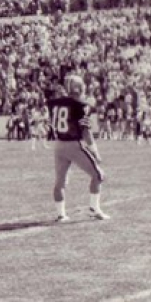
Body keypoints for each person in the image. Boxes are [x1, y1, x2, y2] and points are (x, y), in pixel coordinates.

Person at [47, 75, 110, 222]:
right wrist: (94, 150)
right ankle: (94, 209)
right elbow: (85, 131)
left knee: (60, 182)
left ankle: (61, 215)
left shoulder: (54, 103)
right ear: (78, 88)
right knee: (98, 175)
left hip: (58, 145)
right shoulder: (80, 105)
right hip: (74, 145)